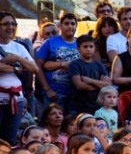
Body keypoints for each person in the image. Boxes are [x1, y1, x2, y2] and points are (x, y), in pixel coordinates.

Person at [0, 12, 39, 145]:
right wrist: (18, 68)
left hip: (16, 100)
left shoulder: (19, 47)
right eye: (5, 24)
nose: (10, 27)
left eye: (13, 24)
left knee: (9, 140)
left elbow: (34, 69)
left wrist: (17, 58)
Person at [35, 12, 79, 113]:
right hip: (54, 94)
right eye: (66, 23)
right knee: (51, 125)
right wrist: (47, 90)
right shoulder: (50, 42)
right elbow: (37, 67)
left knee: (72, 127)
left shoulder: (81, 43)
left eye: (72, 24)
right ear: (60, 26)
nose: (70, 26)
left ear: (76, 26)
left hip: (75, 95)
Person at [69, 34, 111, 116]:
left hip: (97, 106)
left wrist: (90, 81)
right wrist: (99, 85)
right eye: (85, 47)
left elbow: (108, 85)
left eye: (91, 46)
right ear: (78, 49)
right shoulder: (74, 65)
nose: (88, 49)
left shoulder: (99, 65)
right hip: (79, 107)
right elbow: (79, 85)